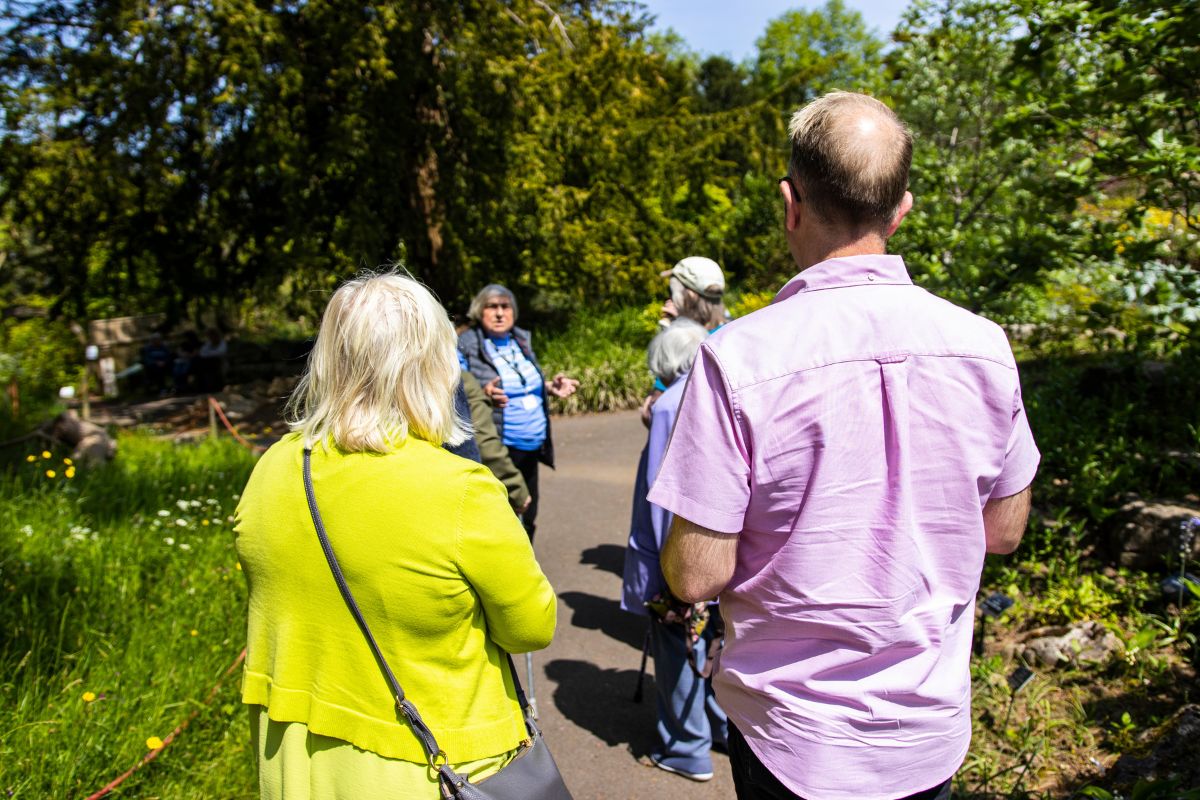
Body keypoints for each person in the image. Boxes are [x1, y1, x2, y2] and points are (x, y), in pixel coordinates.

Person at [650, 91, 1040, 800]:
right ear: (901, 210)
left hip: (792, 735)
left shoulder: (737, 358)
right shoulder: (985, 348)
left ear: (790, 203)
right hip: (929, 726)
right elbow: (1005, 530)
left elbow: (696, 574)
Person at [234, 272, 556, 800]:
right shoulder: (461, 489)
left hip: (294, 763)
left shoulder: (272, 468)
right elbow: (530, 627)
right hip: (432, 767)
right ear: (434, 365)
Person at [621, 318, 727, 782]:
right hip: (726, 553)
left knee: (677, 649)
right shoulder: (721, 392)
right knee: (716, 645)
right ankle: (721, 728)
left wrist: (671, 572)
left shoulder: (668, 405)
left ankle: (686, 748)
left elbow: (666, 494)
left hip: (679, 559)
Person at [458, 283, 579, 540]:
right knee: (501, 519)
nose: (500, 313)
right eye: (492, 307)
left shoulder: (520, 340)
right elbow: (456, 387)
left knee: (529, 515)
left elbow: (522, 383)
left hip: (531, 447)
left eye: (505, 306)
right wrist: (482, 393)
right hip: (498, 448)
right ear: (480, 311)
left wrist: (549, 387)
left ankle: (526, 569)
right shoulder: (466, 344)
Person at [642, 257, 727, 427]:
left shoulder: (687, 345)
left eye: (672, 291)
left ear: (687, 295)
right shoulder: (731, 335)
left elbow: (654, 409)